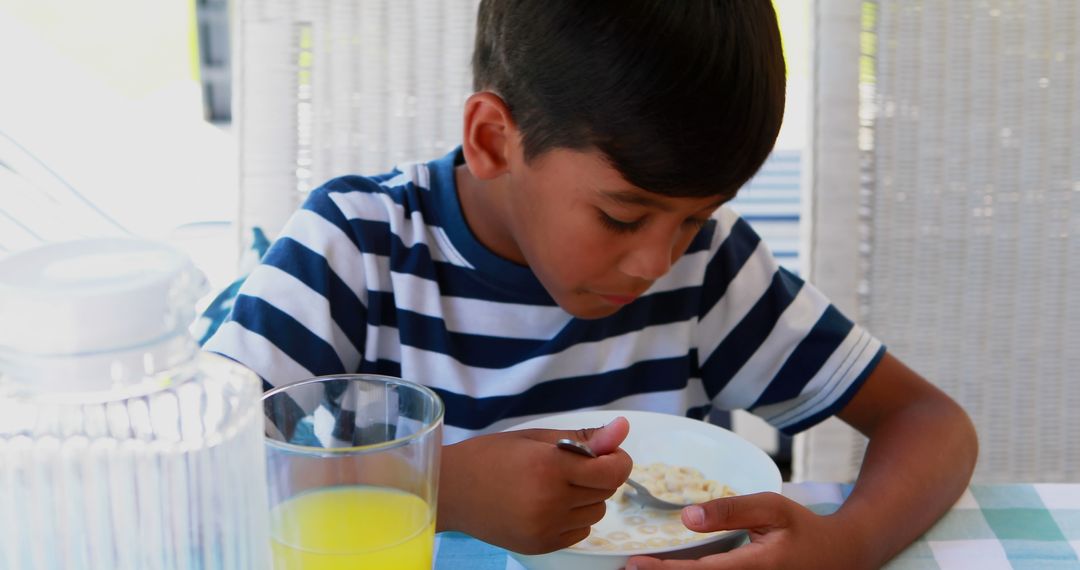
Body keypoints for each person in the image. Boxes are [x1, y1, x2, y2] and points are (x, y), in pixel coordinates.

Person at [205, 1, 978, 567]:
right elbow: (188, 468)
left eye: (693, 218)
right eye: (620, 216)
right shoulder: (360, 248)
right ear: (492, 140)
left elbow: (930, 422)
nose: (656, 262)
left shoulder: (709, 267)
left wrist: (842, 547)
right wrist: (437, 488)